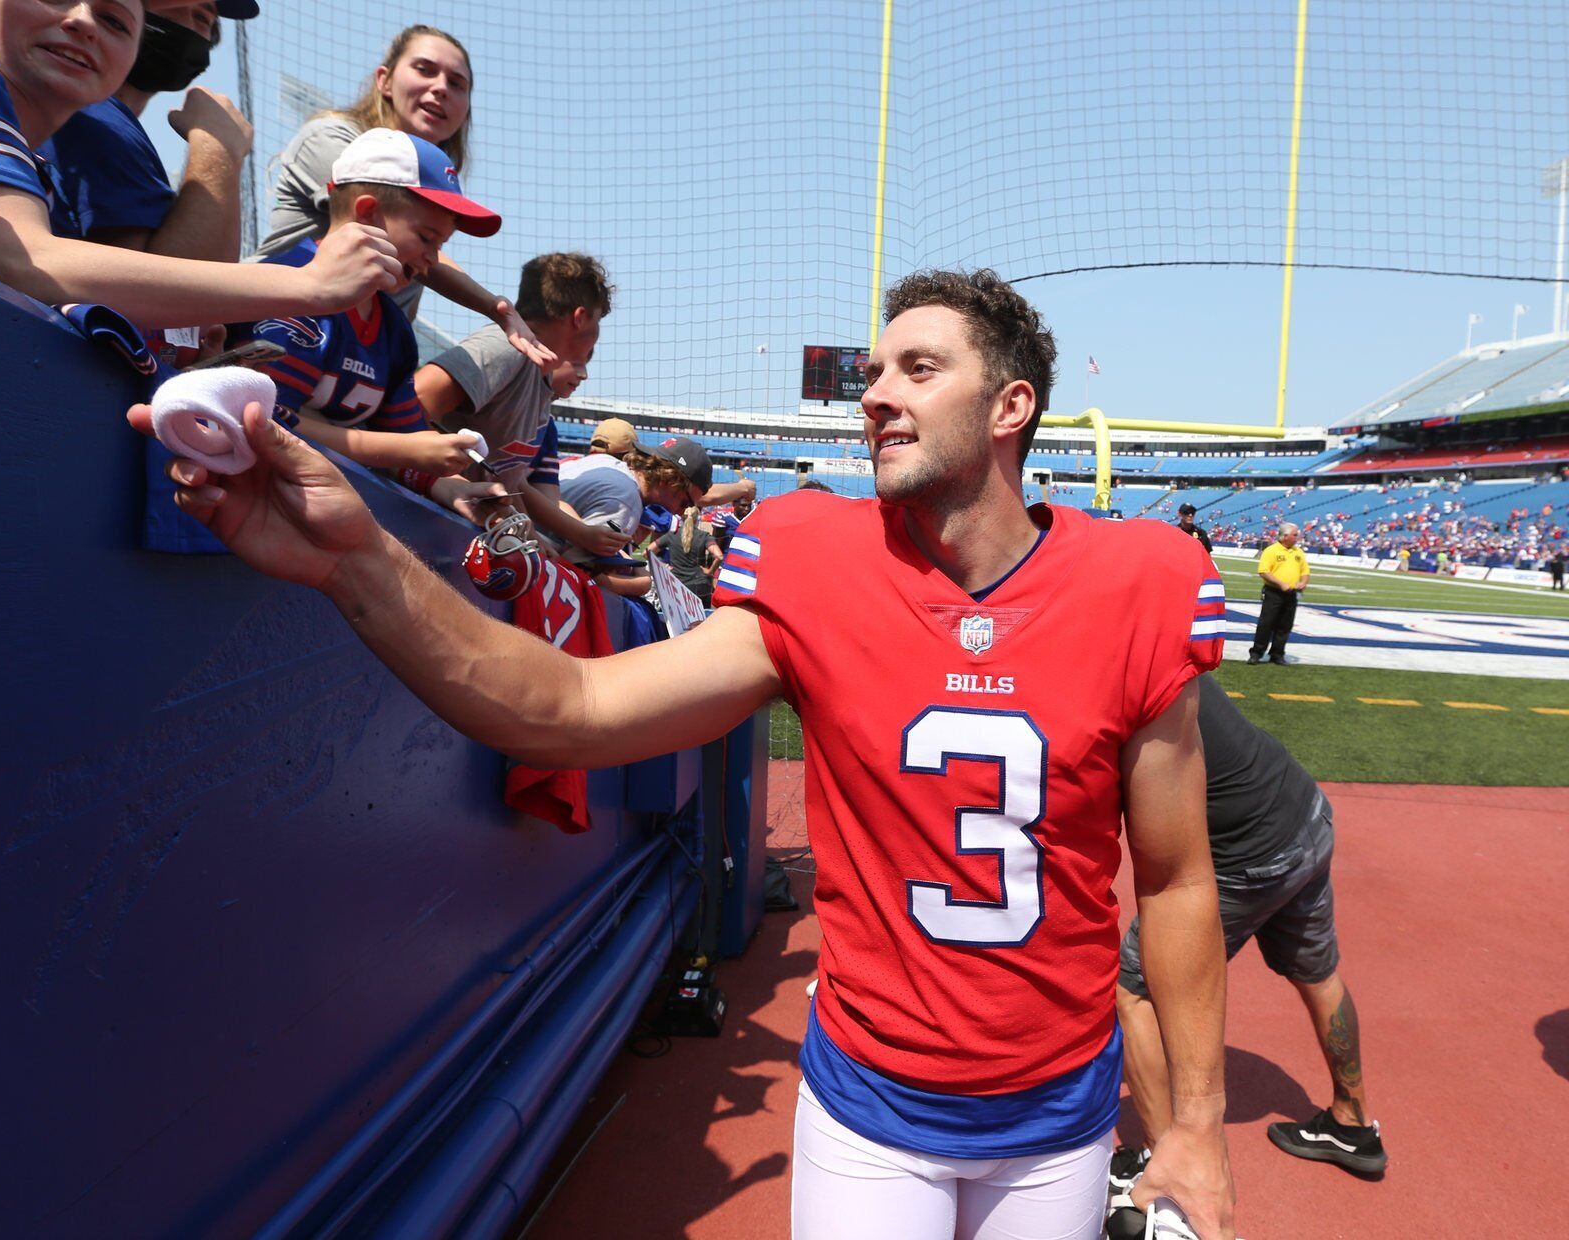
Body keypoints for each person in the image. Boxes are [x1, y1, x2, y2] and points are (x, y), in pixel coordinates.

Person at [131, 267, 1238, 1240]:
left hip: (1057, 1116)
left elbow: (1178, 876)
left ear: (1010, 406)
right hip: (874, 1106)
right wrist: (355, 559)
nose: (876, 392)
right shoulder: (813, 560)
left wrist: (1194, 1126)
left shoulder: (1135, 581)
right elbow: (563, 707)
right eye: (875, 369)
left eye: (917, 367)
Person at [1108, 677, 1385, 1228]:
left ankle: (1161, 1164)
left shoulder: (1112, 672)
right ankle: (1354, 1125)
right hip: (1303, 812)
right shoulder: (1161, 654)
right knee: (1318, 973)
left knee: (1133, 991)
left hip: (1248, 854)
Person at [0, 0, 398, 327]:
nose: (82, 20)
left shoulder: (29, 151)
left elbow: (179, 328)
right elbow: (23, 261)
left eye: (114, 20)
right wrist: (308, 283)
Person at [226, 128, 503, 495]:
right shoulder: (291, 289)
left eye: (440, 245)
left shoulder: (393, 329)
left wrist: (451, 489)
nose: (432, 260)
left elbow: (406, 439)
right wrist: (401, 450)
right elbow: (261, 421)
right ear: (368, 212)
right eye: (425, 238)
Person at [255, 23, 550, 367]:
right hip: (276, 332)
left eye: (457, 84)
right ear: (384, 80)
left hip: (362, 364)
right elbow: (416, 252)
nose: (440, 87)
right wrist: (492, 305)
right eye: (424, 70)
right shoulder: (333, 139)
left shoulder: (436, 179)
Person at [414, 252, 625, 559]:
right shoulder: (506, 349)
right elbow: (409, 406)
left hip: (457, 533)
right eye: (597, 321)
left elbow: (506, 477)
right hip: (420, 521)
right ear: (580, 317)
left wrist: (527, 528)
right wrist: (446, 483)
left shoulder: (539, 382)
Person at [43, 0, 254, 265]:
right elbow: (187, 295)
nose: (184, 23)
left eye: (201, 17)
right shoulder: (95, 117)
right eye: (172, 3)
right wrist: (218, 145)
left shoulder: (109, 121)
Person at [554, 435, 713, 598]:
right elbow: (575, 570)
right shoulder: (626, 501)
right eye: (685, 503)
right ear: (671, 479)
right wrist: (643, 583)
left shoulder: (608, 463)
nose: (681, 512)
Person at [1248, 523, 1308, 666]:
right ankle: (1256, 653)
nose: (1297, 537)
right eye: (1294, 535)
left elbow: (1305, 571)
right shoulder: (1271, 551)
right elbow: (1264, 571)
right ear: (1285, 536)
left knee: (1285, 625)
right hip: (1273, 592)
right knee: (1266, 623)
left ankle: (1277, 653)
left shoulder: (1298, 552)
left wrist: (1303, 582)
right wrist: (1280, 584)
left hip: (1291, 593)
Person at [651, 507, 722, 606]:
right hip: (700, 585)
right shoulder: (704, 536)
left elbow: (648, 552)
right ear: (697, 518)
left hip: (677, 585)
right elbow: (719, 556)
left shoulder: (671, 535)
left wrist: (665, 566)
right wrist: (710, 572)